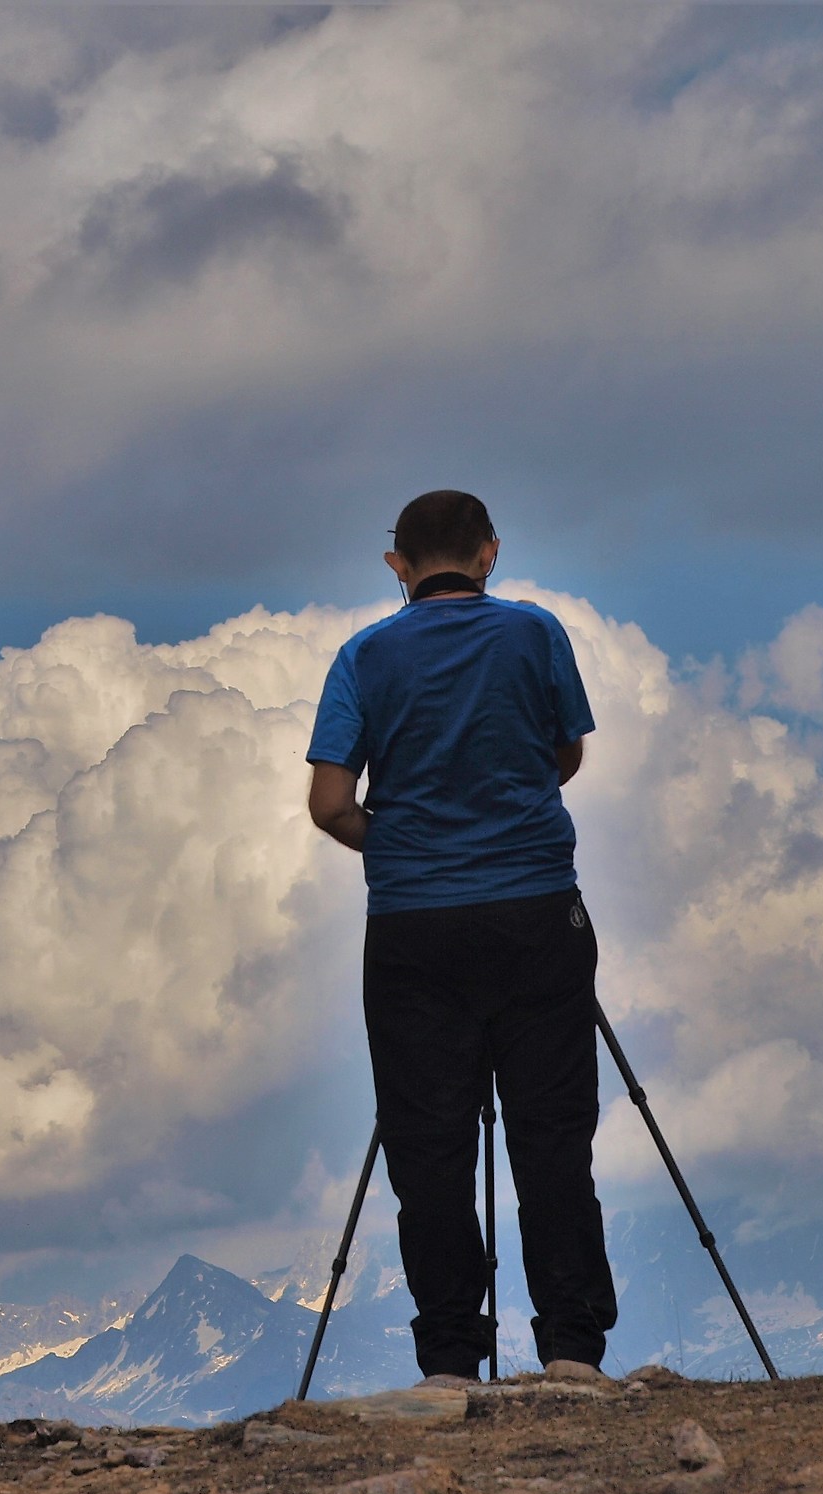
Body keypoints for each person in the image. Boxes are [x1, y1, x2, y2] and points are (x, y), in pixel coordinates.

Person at [305, 489, 619, 1387]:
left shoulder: (362, 656)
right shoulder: (535, 633)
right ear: (488, 554)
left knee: (428, 1143)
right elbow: (565, 754)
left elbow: (329, 803)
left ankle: (448, 1357)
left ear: (396, 567)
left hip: (412, 923)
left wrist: (401, 840)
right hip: (536, 911)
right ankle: (571, 1350)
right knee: (553, 1135)